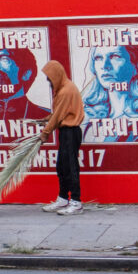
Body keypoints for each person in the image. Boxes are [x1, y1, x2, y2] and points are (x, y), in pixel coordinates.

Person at [42, 57, 86, 215]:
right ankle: (63, 198)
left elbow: (58, 115)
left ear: (57, 76)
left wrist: (45, 133)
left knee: (71, 167)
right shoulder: (63, 89)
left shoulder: (66, 90)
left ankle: (76, 201)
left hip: (70, 132)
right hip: (66, 131)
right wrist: (46, 120)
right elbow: (59, 113)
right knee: (62, 166)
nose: (50, 83)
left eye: (50, 80)